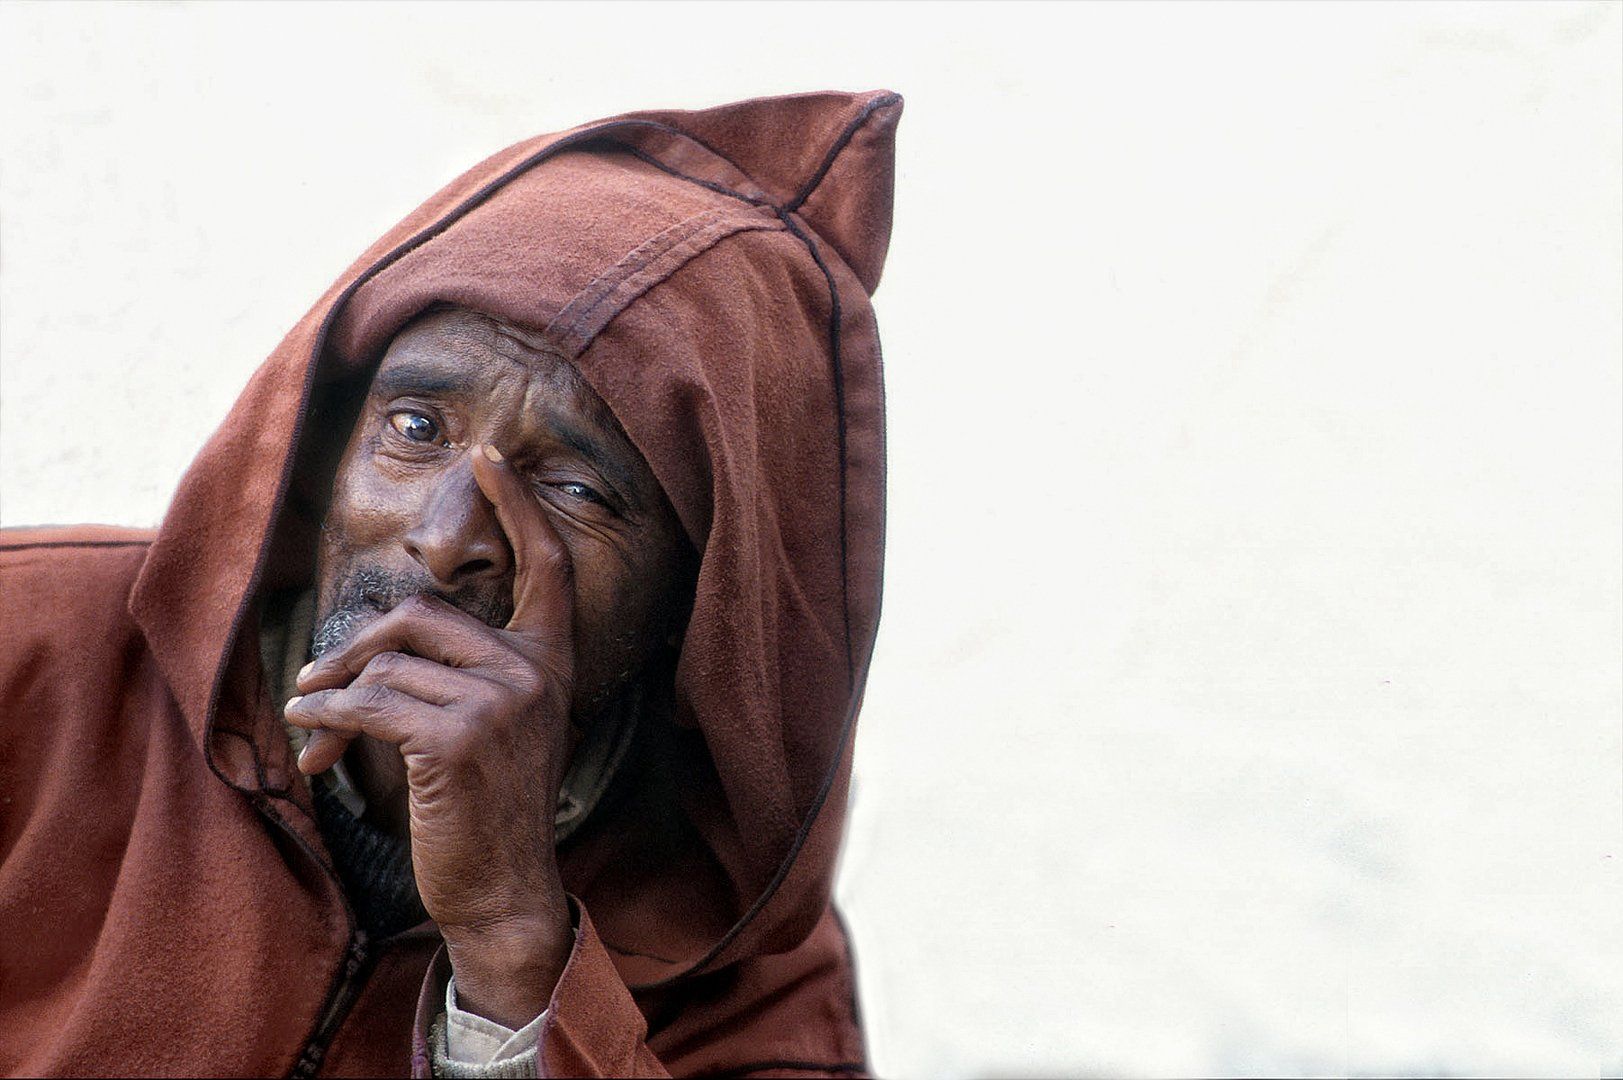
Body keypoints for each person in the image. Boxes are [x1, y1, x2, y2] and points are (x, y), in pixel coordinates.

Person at [0, 88, 900, 1078]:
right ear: (322, 445)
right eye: (417, 427)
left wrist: (514, 942)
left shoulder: (732, 949)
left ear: (694, 608)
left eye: (575, 487)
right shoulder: (33, 655)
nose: (446, 540)